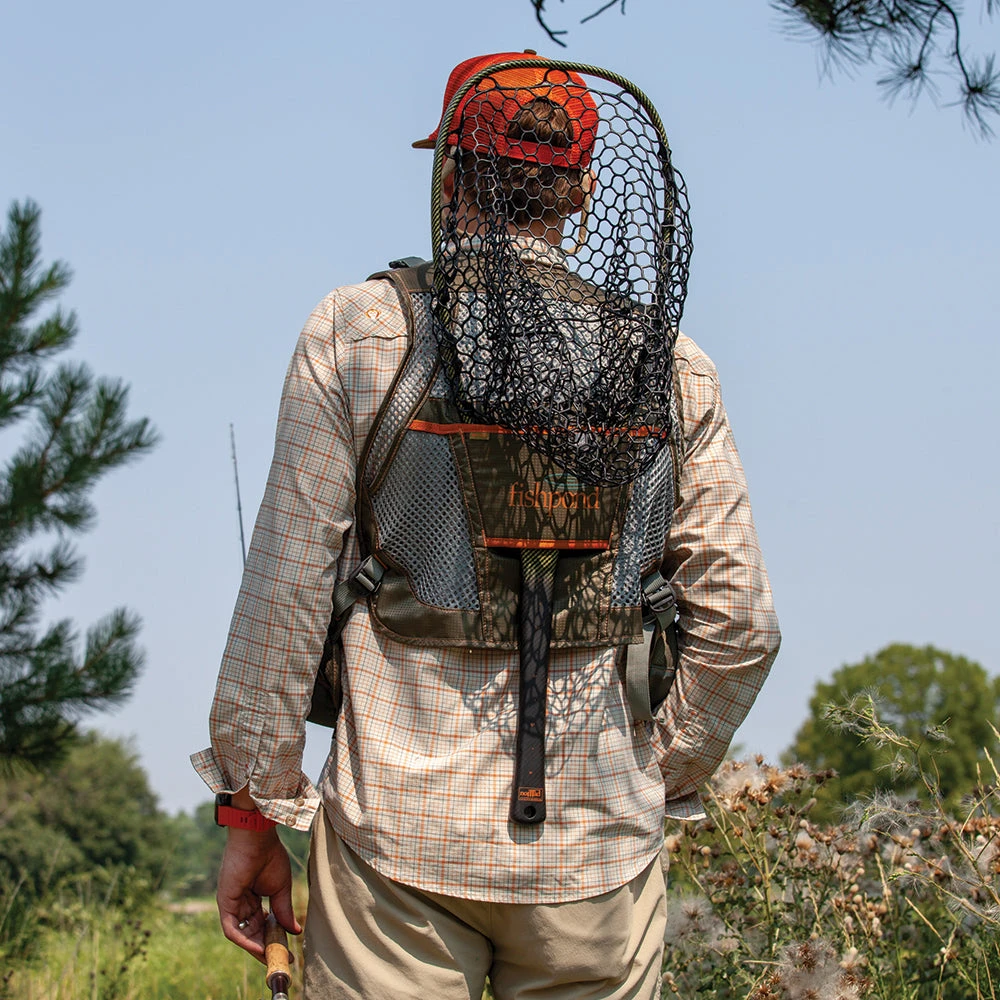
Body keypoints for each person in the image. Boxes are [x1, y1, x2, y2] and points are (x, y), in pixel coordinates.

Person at [192, 51, 780, 1000]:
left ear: (450, 173)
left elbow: (284, 599)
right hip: (598, 863)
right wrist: (646, 778)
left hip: (397, 842)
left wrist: (253, 816)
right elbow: (742, 627)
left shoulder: (360, 334)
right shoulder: (675, 369)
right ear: (583, 191)